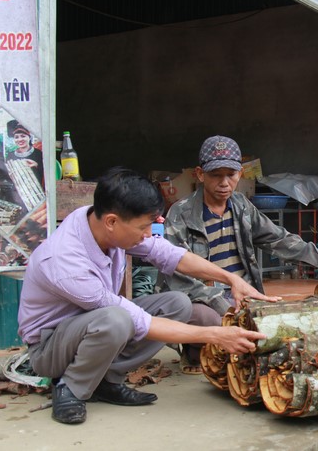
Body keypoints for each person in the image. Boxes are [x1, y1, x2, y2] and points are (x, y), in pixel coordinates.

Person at [17, 167, 278, 425]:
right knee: (117, 319)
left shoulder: (101, 223)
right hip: (50, 347)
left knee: (177, 303)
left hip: (91, 325)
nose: (147, 234)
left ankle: (106, 381)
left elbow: (168, 254)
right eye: (143, 227)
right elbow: (136, 320)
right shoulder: (65, 261)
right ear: (111, 221)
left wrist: (231, 279)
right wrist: (214, 335)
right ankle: (70, 387)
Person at [161, 135, 318, 374]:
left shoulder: (241, 206)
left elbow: (278, 239)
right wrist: (225, 308)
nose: (225, 182)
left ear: (240, 174)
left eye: (231, 174)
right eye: (216, 175)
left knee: (289, 321)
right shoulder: (181, 214)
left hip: (243, 296)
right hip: (204, 300)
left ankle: (228, 344)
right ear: (200, 174)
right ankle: (196, 350)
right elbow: (180, 278)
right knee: (203, 317)